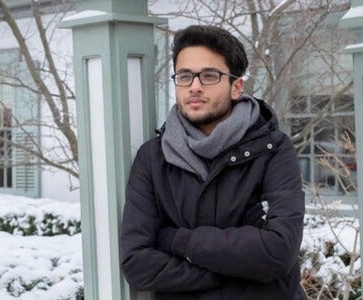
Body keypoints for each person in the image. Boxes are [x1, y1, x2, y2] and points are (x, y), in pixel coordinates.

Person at [119, 25, 306, 299]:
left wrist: (176, 240)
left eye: (209, 76)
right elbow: (138, 266)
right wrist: (242, 269)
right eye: (184, 76)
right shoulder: (152, 159)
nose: (194, 86)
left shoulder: (272, 149)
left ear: (236, 86)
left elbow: (278, 252)